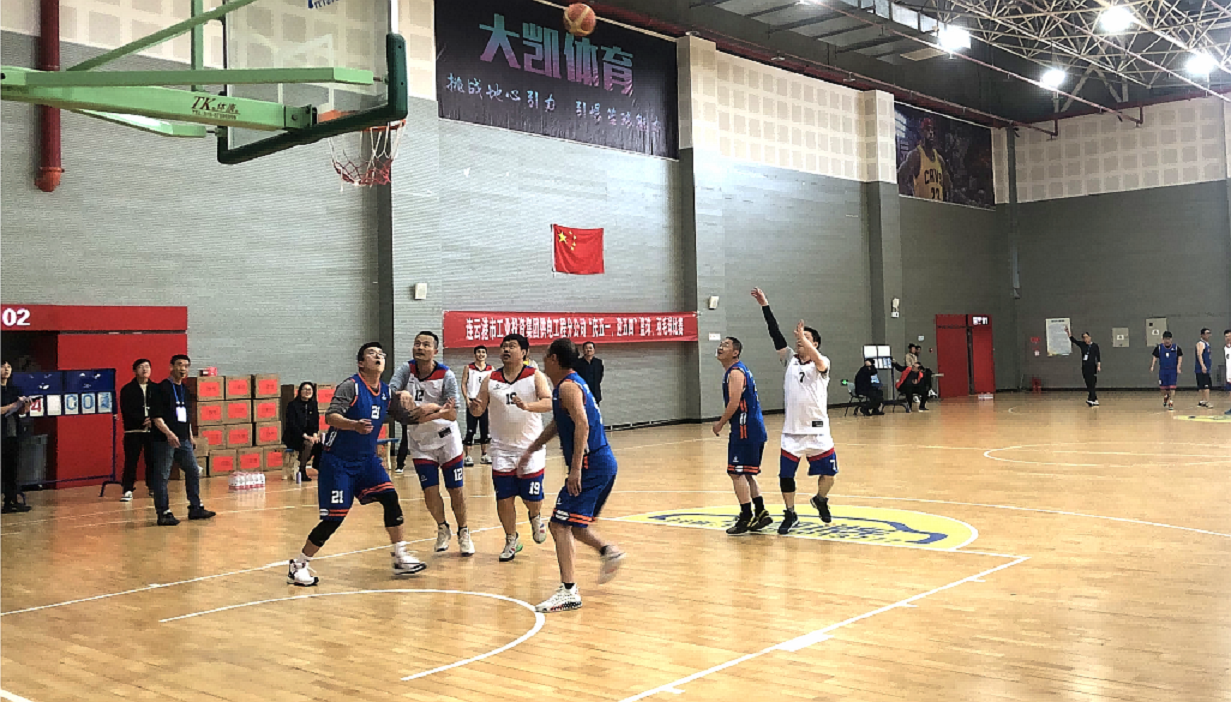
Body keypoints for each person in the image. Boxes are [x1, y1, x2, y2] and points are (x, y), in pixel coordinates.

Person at [287, 342, 426, 586]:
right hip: (338, 462)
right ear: (361, 363)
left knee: (390, 498)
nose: (378, 356)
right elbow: (331, 416)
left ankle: (400, 555)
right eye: (372, 353)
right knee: (334, 518)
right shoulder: (351, 386)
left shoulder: (385, 392)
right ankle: (298, 564)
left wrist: (436, 411)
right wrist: (353, 425)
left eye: (381, 354)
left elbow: (407, 418)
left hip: (367, 460)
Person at [520, 338, 624, 613]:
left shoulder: (567, 387)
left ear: (554, 359)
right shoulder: (568, 385)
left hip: (591, 464)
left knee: (558, 525)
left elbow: (582, 424)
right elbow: (559, 422)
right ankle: (608, 551)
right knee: (576, 525)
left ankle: (568, 591)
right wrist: (533, 447)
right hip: (601, 463)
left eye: (546, 356)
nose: (543, 361)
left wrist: (575, 469)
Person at [752, 288, 840, 534]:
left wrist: (805, 338)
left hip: (818, 432)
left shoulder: (822, 362)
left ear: (815, 343)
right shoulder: (790, 359)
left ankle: (820, 499)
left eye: (807, 338)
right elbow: (775, 334)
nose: (800, 341)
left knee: (829, 475)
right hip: (792, 433)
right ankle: (790, 513)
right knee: (786, 477)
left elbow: (818, 360)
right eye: (799, 338)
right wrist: (765, 305)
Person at [468, 334, 552, 562]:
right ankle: (511, 539)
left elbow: (548, 402)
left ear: (524, 352)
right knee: (504, 498)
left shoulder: (534, 375)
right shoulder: (490, 379)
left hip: (530, 448)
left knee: (531, 498)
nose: (506, 349)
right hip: (501, 449)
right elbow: (478, 410)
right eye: (504, 346)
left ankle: (535, 516)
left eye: (512, 346)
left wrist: (528, 406)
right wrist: (474, 407)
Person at [391, 331, 473, 557]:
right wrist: (400, 393)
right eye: (417, 343)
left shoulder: (446, 375)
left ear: (435, 351)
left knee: (455, 489)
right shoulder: (405, 370)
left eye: (426, 345)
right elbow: (389, 396)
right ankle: (442, 527)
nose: (420, 347)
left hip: (447, 440)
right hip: (420, 442)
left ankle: (464, 531)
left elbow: (452, 414)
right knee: (429, 491)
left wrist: (428, 410)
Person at [712, 336, 771, 535]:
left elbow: (734, 403)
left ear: (735, 352)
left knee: (735, 473)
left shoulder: (736, 372)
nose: (720, 347)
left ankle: (746, 516)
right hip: (752, 428)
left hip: (746, 429)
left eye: (726, 345)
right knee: (746, 473)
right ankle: (760, 511)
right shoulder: (736, 370)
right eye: (720, 344)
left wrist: (720, 423)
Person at [148, 355, 215, 526]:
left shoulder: (185, 390)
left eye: (186, 366)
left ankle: (195, 507)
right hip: (164, 439)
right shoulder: (161, 388)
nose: (183, 369)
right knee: (162, 476)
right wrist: (169, 434)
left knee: (193, 470)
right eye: (179, 365)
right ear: (171, 367)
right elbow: (156, 417)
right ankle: (163, 512)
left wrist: (190, 435)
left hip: (183, 439)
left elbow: (186, 417)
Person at [119, 358, 157, 501]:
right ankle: (127, 489)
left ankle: (153, 487)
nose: (145, 369)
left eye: (147, 366)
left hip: (152, 431)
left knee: (152, 461)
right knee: (131, 461)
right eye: (141, 367)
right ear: (135, 370)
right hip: (133, 431)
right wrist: (142, 420)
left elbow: (161, 407)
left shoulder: (156, 388)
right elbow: (127, 410)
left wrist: (153, 419)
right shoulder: (127, 389)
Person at [1, 360, 32, 514]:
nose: (6, 369)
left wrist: (25, 407)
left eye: (8, 367)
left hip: (12, 433)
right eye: (2, 366)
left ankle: (11, 501)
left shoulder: (14, 389)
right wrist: (12, 406)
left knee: (12, 469)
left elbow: (20, 412)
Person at [897, 118, 952, 202]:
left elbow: (948, 186)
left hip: (938, 207)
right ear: (922, 132)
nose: (931, 133)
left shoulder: (940, 160)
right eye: (928, 129)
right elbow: (900, 177)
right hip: (922, 207)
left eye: (933, 130)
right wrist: (908, 199)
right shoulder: (916, 155)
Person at [460, 346, 493, 467]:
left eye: (483, 352)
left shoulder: (491, 369)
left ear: (486, 355)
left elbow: (493, 386)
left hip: (485, 403)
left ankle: (484, 455)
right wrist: (467, 399)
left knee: (485, 430)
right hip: (472, 402)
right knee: (471, 430)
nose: (481, 354)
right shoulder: (468, 368)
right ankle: (467, 456)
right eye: (479, 352)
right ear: (475, 354)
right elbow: (463, 384)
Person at [282, 382, 322, 482]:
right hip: (294, 436)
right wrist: (306, 436)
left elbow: (315, 422)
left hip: (309, 435)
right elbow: (292, 424)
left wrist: (315, 435)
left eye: (309, 390)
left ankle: (318, 466)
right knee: (308, 444)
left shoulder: (313, 404)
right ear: (300, 391)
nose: (307, 392)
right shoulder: (292, 405)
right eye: (305, 389)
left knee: (320, 444)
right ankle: (302, 469)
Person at [1065, 326, 1101, 406]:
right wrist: (1068, 333)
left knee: (1092, 383)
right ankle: (1094, 399)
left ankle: (1091, 399)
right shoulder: (1082, 345)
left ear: (1090, 337)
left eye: (1087, 337)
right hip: (1085, 366)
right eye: (1084, 338)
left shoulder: (1095, 346)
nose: (1086, 339)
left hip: (1092, 366)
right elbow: (1073, 340)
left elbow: (1098, 356)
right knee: (1088, 383)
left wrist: (1098, 366)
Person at [1150, 331, 1183, 410]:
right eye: (1165, 339)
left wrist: (1178, 367)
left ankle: (1171, 402)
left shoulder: (1176, 348)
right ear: (1163, 339)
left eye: (1168, 339)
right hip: (1163, 370)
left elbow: (1180, 357)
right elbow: (1155, 357)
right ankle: (1166, 396)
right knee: (1163, 388)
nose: (1167, 341)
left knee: (1172, 387)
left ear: (1171, 339)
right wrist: (1152, 366)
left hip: (1172, 370)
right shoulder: (1159, 348)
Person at [574, 342, 604, 406]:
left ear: (594, 350)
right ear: (583, 350)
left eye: (590, 348)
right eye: (586, 348)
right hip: (582, 394)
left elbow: (600, 376)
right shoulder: (577, 363)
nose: (588, 350)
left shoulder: (598, 362)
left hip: (595, 394)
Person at [1195, 328, 1213, 408]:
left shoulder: (1207, 344)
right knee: (1206, 386)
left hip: (1207, 368)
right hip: (1201, 368)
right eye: (1207, 333)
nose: (1208, 335)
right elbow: (1199, 354)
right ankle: (1207, 401)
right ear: (1202, 335)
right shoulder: (1201, 344)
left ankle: (1203, 401)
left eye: (1209, 333)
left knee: (1203, 386)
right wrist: (1202, 365)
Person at [1223, 330, 1231, 415]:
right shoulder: (1226, 348)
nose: (1228, 338)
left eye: (1229, 336)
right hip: (1229, 374)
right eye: (1226, 336)